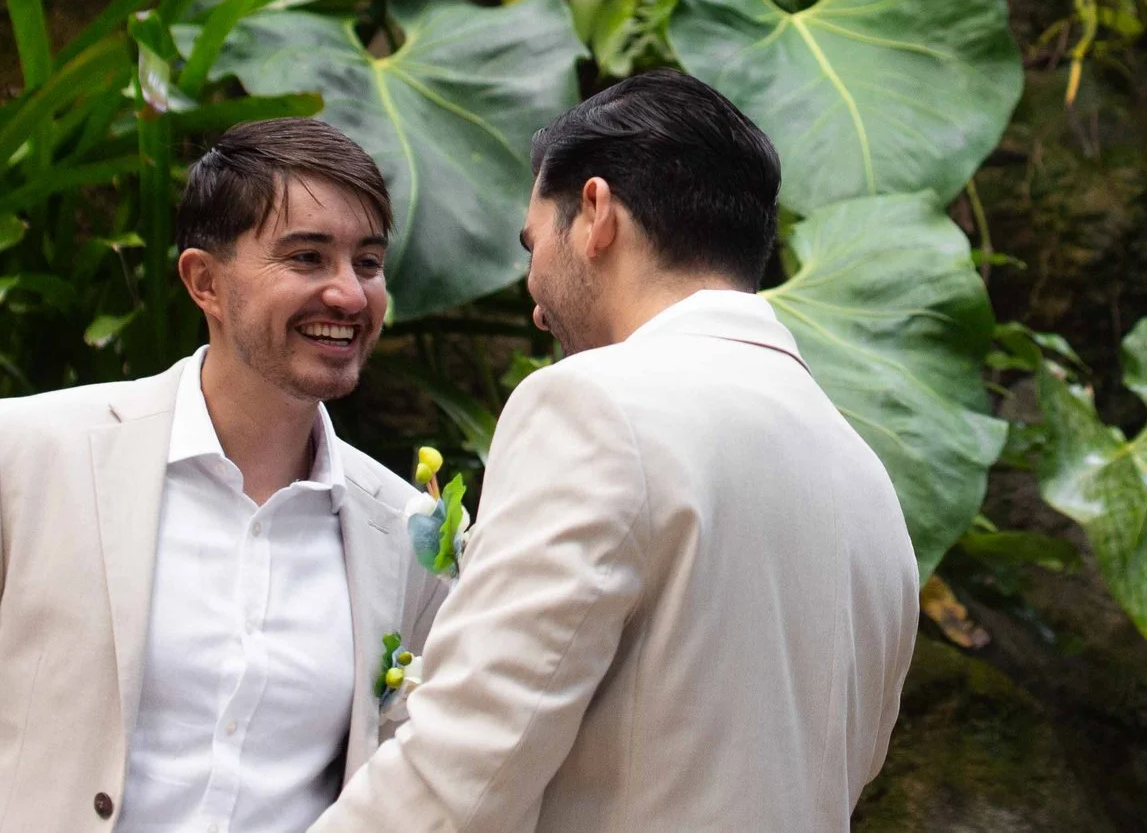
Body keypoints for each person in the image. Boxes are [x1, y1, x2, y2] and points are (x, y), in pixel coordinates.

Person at [0, 118, 450, 833]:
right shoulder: (24, 455)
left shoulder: (409, 534)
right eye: (307, 257)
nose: (349, 295)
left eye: (369, 262)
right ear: (205, 282)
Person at [310, 70, 918, 833]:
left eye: (534, 242)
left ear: (594, 212)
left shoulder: (595, 406)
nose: (534, 297)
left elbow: (462, 770)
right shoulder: (865, 474)